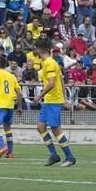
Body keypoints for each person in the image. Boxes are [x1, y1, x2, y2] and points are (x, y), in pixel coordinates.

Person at [32, 39, 76, 167]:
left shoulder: (49, 63)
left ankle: (70, 157)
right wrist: (64, 98)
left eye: (35, 48)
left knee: (56, 129)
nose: (34, 51)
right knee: (41, 127)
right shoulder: (49, 62)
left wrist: (39, 95)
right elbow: (61, 81)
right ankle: (54, 155)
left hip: (53, 100)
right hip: (50, 100)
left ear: (40, 49)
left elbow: (51, 83)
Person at [0, 56, 23, 158]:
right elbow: (19, 94)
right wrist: (19, 107)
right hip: (10, 105)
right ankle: (10, 152)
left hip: (0, 104)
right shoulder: (12, 76)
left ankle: (3, 146)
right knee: (7, 128)